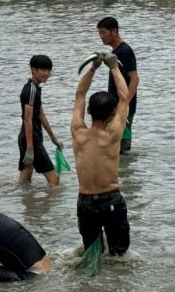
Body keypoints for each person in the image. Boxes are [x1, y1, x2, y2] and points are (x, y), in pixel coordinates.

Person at [71, 52, 130, 256]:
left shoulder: (78, 133)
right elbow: (124, 97)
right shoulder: (113, 135)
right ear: (112, 113)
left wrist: (93, 68)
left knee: (92, 255)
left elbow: (80, 95)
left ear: (88, 111)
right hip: (111, 199)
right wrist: (114, 66)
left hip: (85, 202)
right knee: (120, 256)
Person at [18, 55, 62, 188]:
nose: (47, 74)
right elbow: (27, 119)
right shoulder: (31, 90)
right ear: (33, 70)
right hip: (31, 140)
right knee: (54, 179)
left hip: (27, 138)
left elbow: (41, 115)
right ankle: (51, 208)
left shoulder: (35, 88)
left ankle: (29, 207)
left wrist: (53, 138)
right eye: (43, 70)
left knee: (24, 181)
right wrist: (31, 148)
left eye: (49, 70)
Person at [97, 17, 138, 154]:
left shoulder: (125, 51)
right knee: (113, 145)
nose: (101, 37)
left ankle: (124, 174)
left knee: (122, 149)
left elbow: (135, 79)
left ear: (114, 31)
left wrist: (125, 104)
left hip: (123, 107)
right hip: (114, 106)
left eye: (103, 33)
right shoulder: (114, 52)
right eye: (100, 33)